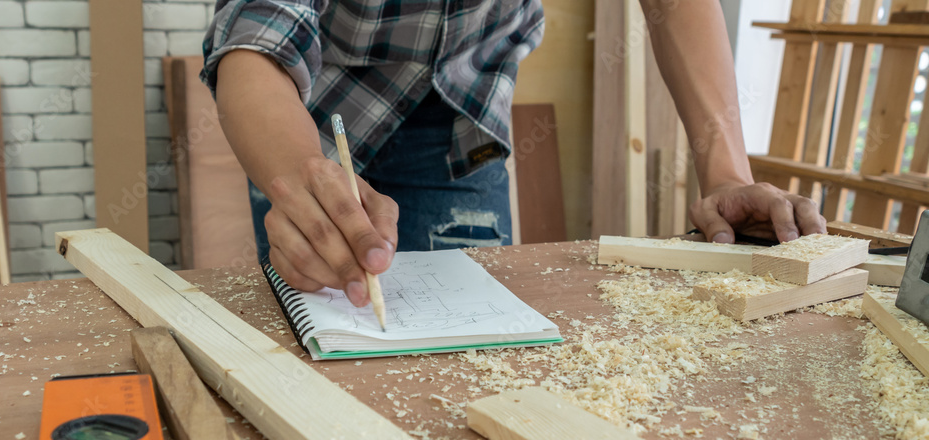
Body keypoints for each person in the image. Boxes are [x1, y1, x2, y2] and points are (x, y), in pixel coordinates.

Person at [202, 0, 825, 308]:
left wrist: (727, 173)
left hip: (460, 117)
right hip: (310, 114)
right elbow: (257, 34)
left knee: (473, 341)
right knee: (329, 316)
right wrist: (298, 174)